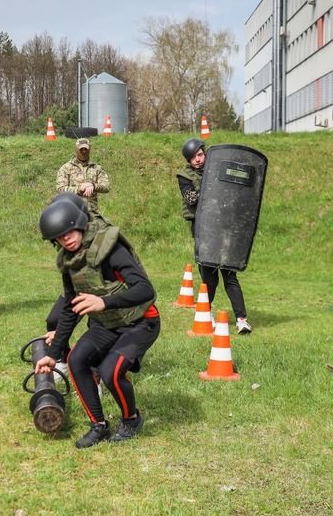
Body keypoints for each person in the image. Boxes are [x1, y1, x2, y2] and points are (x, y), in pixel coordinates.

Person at [34, 195, 160, 448]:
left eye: (69, 232)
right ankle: (98, 425)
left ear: (80, 224)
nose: (66, 239)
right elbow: (71, 308)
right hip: (107, 325)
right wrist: (53, 354)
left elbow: (146, 289)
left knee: (111, 372)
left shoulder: (110, 248)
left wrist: (104, 302)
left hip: (140, 322)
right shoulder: (69, 262)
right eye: (59, 237)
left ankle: (131, 420)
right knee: (76, 360)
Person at [177, 137, 252, 334]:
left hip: (223, 226)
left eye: (200, 155)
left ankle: (242, 320)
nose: (198, 159)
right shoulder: (184, 175)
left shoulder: (218, 168)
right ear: (189, 160)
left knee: (230, 275)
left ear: (205, 153)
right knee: (209, 277)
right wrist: (213, 187)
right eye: (193, 157)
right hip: (203, 228)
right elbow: (190, 198)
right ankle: (205, 314)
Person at [55, 137, 111, 216]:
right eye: (81, 149)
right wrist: (78, 189)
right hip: (72, 212)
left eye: (86, 149)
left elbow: (106, 187)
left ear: (89, 150)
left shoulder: (97, 168)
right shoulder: (66, 168)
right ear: (76, 150)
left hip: (92, 212)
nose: (84, 151)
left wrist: (93, 186)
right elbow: (60, 189)